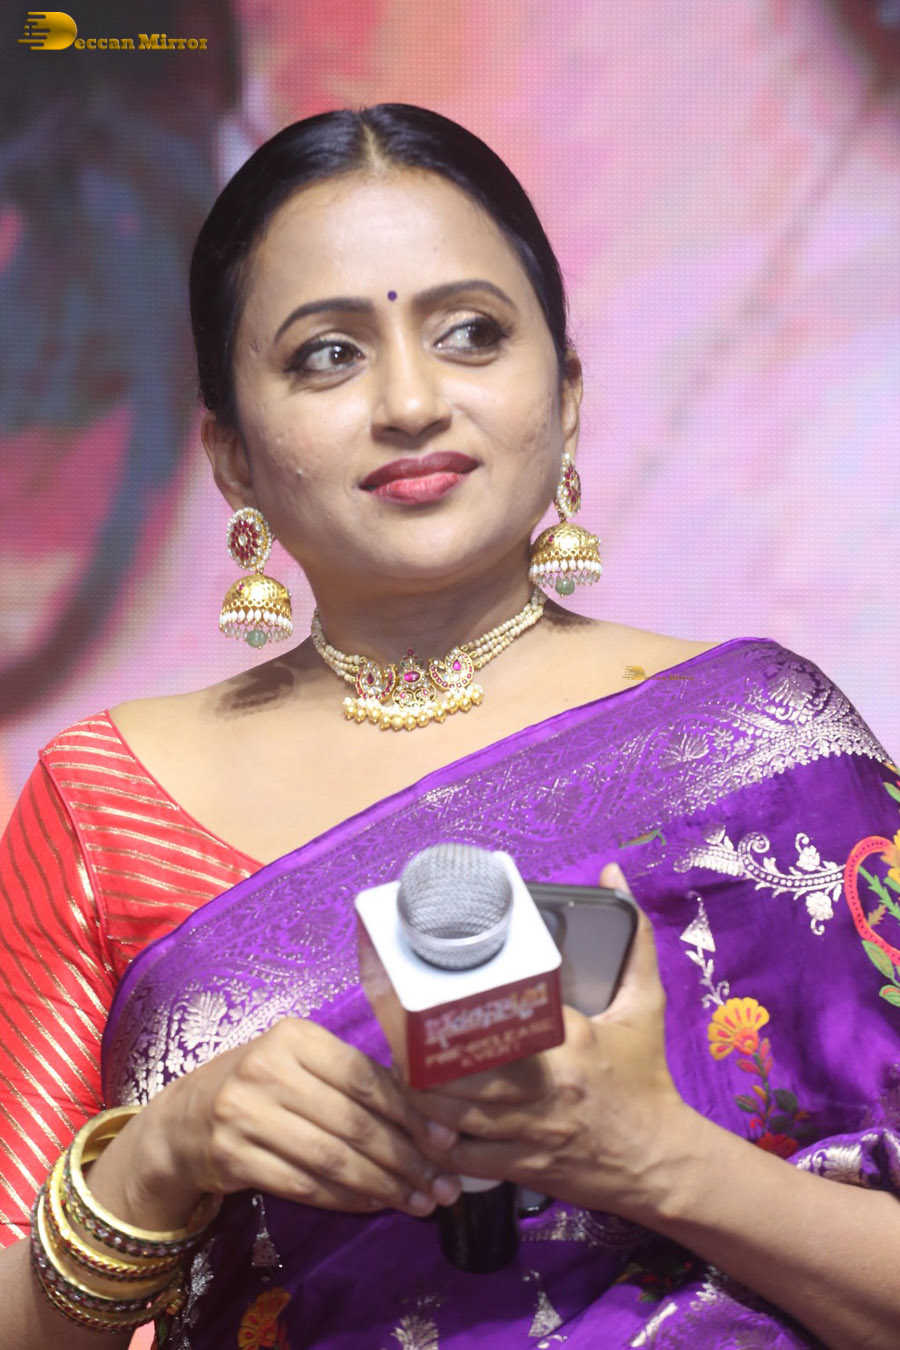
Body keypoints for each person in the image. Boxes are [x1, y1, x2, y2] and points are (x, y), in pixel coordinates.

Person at [1, 103, 899, 1350]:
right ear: (231, 455)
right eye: (327, 355)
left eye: (471, 333)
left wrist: (659, 1165)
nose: (412, 401)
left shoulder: (761, 736)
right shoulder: (109, 803)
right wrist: (163, 1153)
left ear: (566, 392)